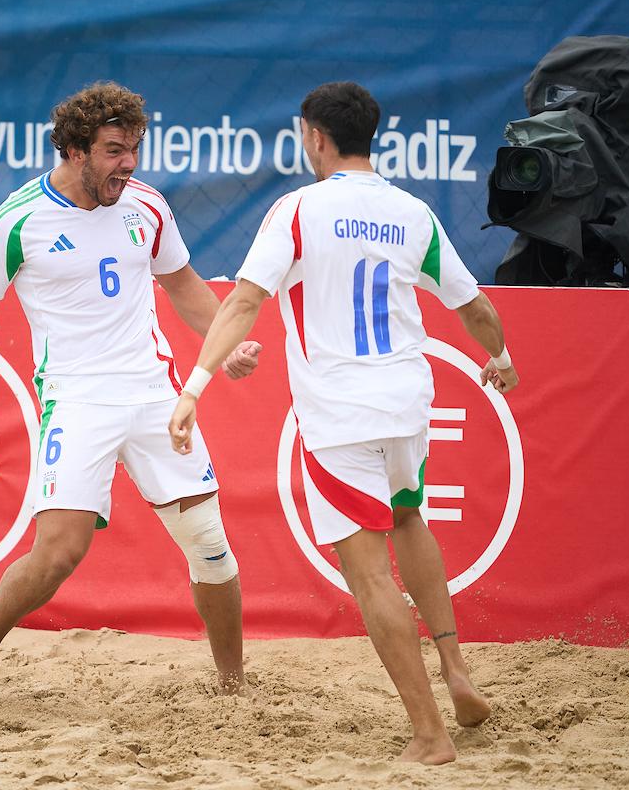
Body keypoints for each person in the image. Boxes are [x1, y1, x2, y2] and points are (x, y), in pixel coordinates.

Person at [168, 81, 513, 764]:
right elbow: (471, 305)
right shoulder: (412, 212)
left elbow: (243, 301)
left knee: (370, 575)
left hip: (340, 413)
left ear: (316, 137)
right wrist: (500, 357)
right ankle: (456, 674)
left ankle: (429, 734)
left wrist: (194, 386)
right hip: (409, 400)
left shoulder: (297, 209)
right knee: (410, 520)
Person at [0, 81, 261, 709]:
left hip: (154, 395)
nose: (128, 163)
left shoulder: (147, 206)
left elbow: (185, 286)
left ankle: (233, 687)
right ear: (76, 149)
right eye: (114, 150)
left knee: (211, 547)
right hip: (76, 400)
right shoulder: (16, 220)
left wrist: (225, 346)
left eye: (134, 148)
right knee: (58, 556)